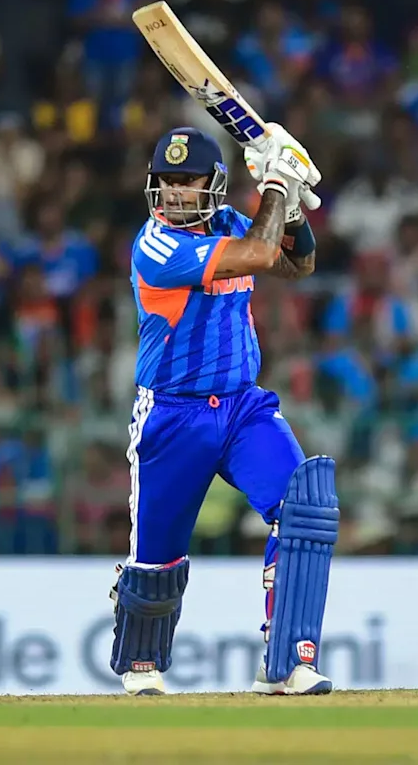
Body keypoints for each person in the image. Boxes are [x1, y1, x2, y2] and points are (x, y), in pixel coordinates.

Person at [109, 126, 338, 696]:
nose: (175, 192)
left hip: (242, 407)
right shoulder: (156, 246)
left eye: (187, 181)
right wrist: (278, 184)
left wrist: (292, 207)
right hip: (172, 414)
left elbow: (298, 263)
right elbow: (260, 252)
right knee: (157, 563)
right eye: (167, 181)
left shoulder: (232, 223)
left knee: (303, 506)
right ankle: (141, 663)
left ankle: (288, 661)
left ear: (212, 184)